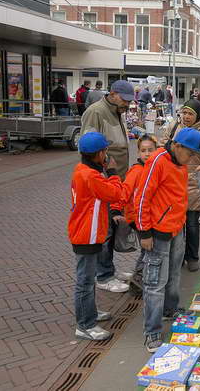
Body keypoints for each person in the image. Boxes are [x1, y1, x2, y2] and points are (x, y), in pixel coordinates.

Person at [135, 127, 200, 353]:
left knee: (174, 274)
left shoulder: (180, 163)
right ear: (177, 146)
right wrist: (144, 233)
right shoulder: (158, 161)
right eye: (190, 153)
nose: (192, 158)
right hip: (158, 232)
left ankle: (171, 309)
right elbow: (142, 197)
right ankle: (152, 331)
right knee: (155, 283)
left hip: (176, 228)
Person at [68, 132, 125, 341]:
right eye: (105, 151)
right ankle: (85, 325)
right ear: (100, 154)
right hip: (87, 235)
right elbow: (115, 193)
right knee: (84, 281)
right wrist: (113, 172)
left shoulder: (83, 169)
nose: (107, 154)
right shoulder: (90, 176)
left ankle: (89, 313)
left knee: (88, 278)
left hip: (87, 232)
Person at [81, 79, 135, 293]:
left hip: (115, 180)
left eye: (129, 101)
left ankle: (109, 269)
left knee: (112, 226)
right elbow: (88, 148)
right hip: (103, 181)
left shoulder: (116, 111)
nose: (127, 104)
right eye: (124, 100)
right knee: (104, 229)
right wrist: (103, 174)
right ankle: (103, 276)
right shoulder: (96, 112)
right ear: (112, 94)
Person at [159, 96, 200, 272]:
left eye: (190, 114)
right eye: (184, 113)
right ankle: (177, 256)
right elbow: (162, 146)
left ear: (197, 115)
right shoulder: (174, 126)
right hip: (173, 182)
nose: (186, 116)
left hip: (194, 184)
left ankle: (192, 257)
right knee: (175, 224)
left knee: (191, 224)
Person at [116, 134, 158, 293]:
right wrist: (116, 209)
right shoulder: (136, 171)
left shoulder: (153, 169)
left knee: (147, 249)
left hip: (146, 216)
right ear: (138, 153)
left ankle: (140, 277)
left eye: (150, 150)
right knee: (148, 249)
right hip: (137, 217)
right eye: (143, 150)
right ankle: (138, 279)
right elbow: (124, 192)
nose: (147, 154)